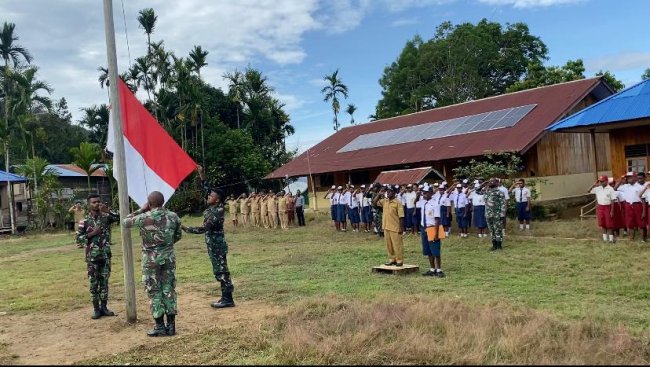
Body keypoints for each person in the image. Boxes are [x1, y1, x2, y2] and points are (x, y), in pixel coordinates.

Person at [122, 191, 182, 337]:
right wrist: (166, 246)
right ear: (163, 202)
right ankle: (171, 326)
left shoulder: (144, 217)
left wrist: (142, 209)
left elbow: (125, 222)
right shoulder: (173, 216)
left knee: (154, 290)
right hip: (168, 258)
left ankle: (160, 326)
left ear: (149, 203)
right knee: (169, 288)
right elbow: (178, 235)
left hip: (150, 260)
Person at [183, 166, 235, 310]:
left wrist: (186, 229)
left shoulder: (217, 212)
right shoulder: (213, 206)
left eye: (210, 196)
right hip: (213, 245)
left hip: (217, 246)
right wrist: (201, 173)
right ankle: (225, 297)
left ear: (217, 199)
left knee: (222, 271)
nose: (208, 197)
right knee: (219, 270)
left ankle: (227, 299)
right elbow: (207, 188)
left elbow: (204, 229)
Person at [76, 194, 120, 320]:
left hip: (105, 255)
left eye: (98, 202)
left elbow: (120, 218)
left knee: (104, 282)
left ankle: (104, 307)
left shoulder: (106, 218)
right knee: (94, 283)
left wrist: (109, 210)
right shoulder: (84, 221)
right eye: (94, 202)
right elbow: (78, 239)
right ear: (89, 204)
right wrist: (92, 234)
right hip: (92, 258)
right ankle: (96, 309)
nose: (97, 204)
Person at [373, 185, 405, 266]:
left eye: (390, 191)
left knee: (397, 244)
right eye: (387, 191)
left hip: (395, 227)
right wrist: (379, 194)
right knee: (389, 245)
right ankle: (392, 259)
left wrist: (401, 228)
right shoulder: (385, 201)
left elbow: (401, 216)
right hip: (386, 226)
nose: (388, 192)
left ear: (394, 192)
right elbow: (374, 203)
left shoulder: (397, 202)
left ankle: (399, 260)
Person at [420, 186, 444, 277]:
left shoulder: (435, 204)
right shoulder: (423, 203)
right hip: (424, 228)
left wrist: (436, 233)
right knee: (428, 250)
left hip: (432, 228)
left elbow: (437, 219)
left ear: (431, 193)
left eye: (426, 192)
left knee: (435, 250)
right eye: (423, 192)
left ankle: (439, 270)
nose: (424, 194)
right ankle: (432, 269)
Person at [615, 172, 645, 241]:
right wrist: (620, 181)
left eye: (630, 177)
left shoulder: (640, 187)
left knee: (640, 223)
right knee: (630, 223)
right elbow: (615, 188)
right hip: (628, 206)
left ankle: (642, 239)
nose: (628, 179)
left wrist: (643, 211)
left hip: (637, 205)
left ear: (635, 178)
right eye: (627, 177)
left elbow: (643, 200)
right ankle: (631, 238)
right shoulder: (625, 186)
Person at [588, 175, 616, 243]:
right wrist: (594, 184)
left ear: (606, 181)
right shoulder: (598, 188)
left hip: (608, 207)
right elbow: (588, 191)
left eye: (602, 181)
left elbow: (612, 200)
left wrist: (612, 211)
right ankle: (605, 239)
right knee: (602, 223)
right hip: (600, 207)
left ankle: (611, 239)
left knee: (609, 224)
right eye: (600, 181)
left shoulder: (610, 189)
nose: (601, 183)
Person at [485, 178, 507, 251]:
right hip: (488, 214)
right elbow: (477, 191)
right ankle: (494, 246)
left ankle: (499, 246)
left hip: (496, 215)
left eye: (492, 181)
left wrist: (502, 214)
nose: (490, 182)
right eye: (490, 181)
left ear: (497, 183)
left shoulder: (499, 192)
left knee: (497, 230)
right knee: (491, 231)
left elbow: (503, 204)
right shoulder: (487, 192)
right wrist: (484, 183)